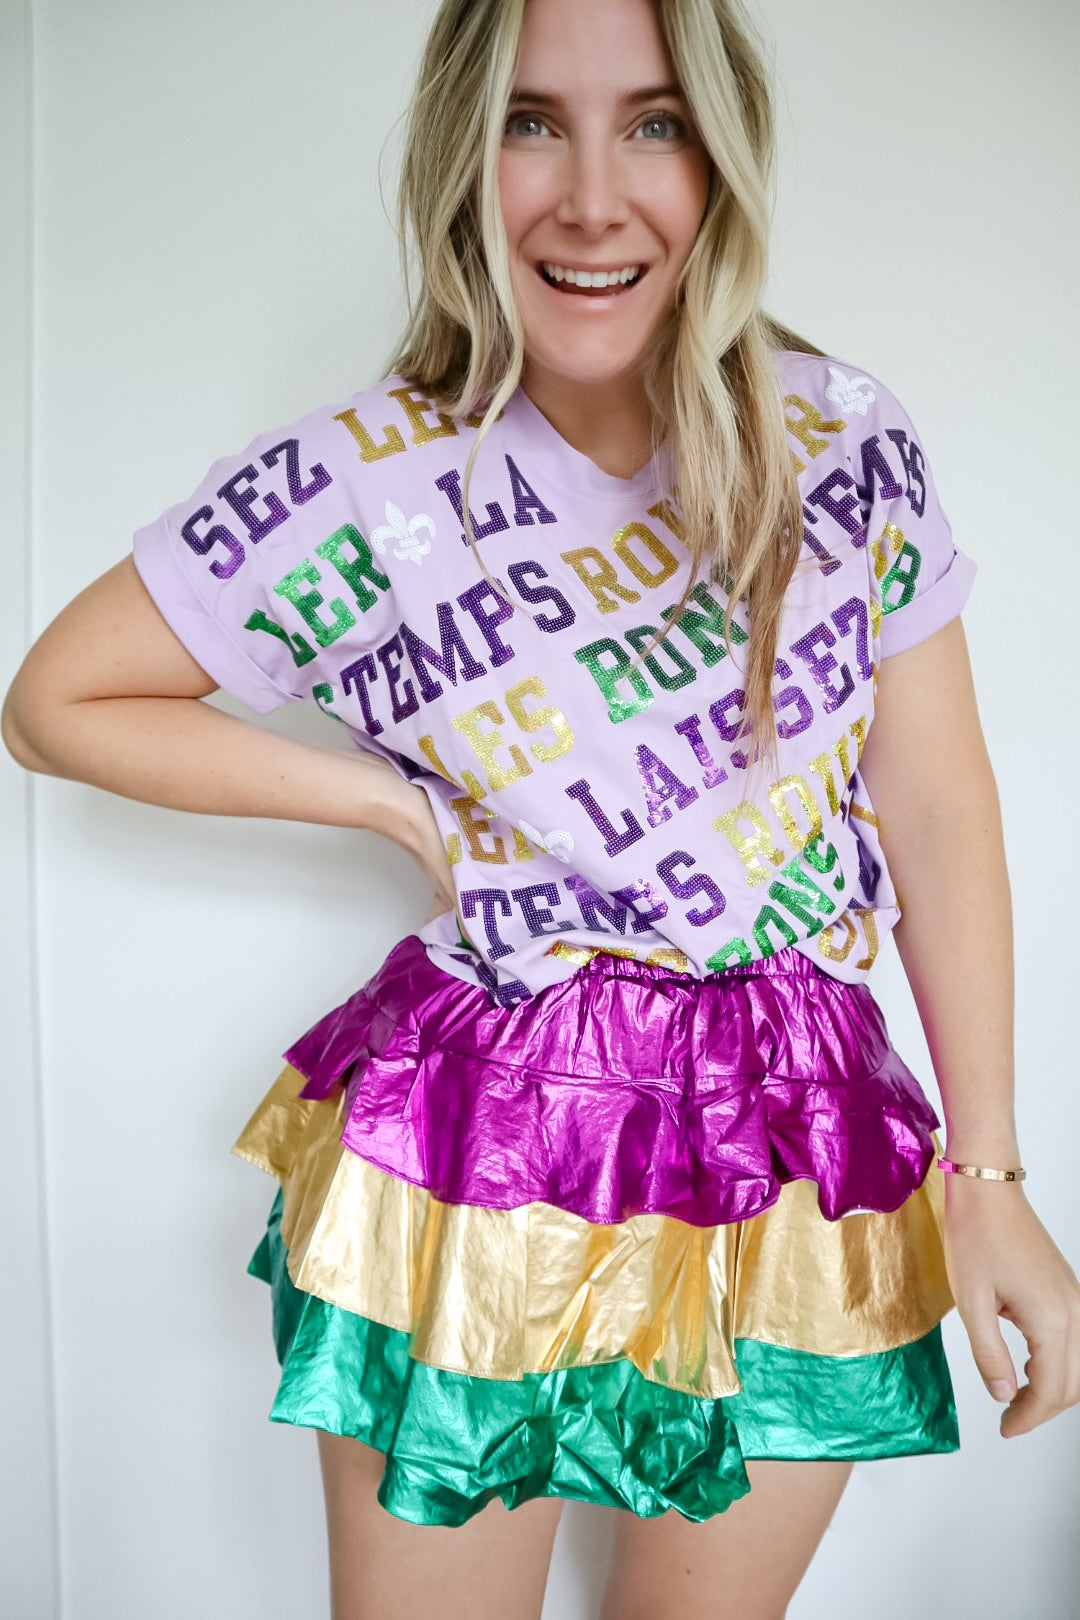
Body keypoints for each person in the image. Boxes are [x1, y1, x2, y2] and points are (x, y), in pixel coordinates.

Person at [5, 0, 1079, 1615]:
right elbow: (54, 702)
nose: (590, 198)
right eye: (530, 123)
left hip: (793, 1138)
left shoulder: (842, 437)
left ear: (720, 158)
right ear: (462, 155)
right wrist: (392, 808)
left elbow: (934, 800)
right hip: (480, 1127)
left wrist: (989, 1178)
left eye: (653, 123)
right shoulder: (362, 473)